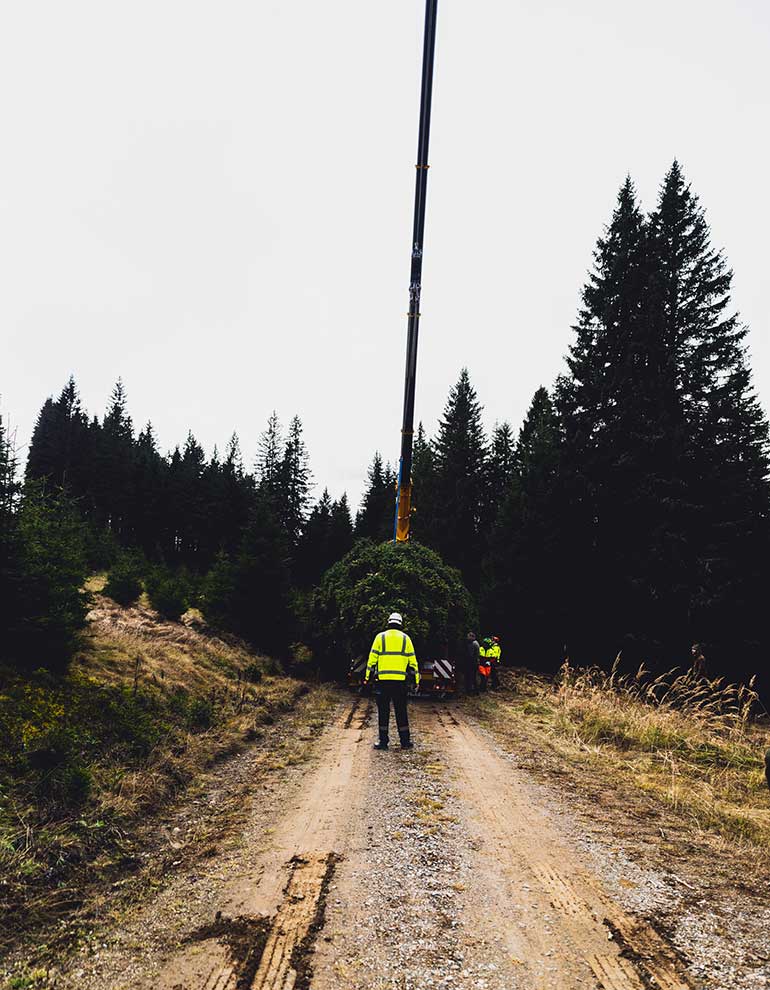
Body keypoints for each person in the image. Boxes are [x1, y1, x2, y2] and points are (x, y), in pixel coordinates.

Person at [365, 611, 419, 750]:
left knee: (383, 712)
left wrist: (367, 679)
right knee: (401, 711)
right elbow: (413, 662)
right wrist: (416, 681)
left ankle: (383, 742)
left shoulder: (380, 638)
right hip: (400, 683)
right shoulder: (406, 639)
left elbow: (372, 661)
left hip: (383, 682)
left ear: (388, 622)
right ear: (400, 624)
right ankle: (405, 742)